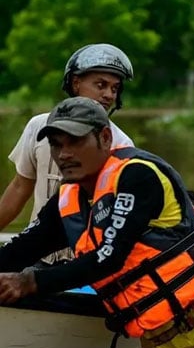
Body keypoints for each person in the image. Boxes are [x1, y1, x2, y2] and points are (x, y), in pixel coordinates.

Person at [0, 97, 194, 348]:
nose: (64, 154)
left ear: (105, 138)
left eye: (75, 141)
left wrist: (29, 281)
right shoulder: (68, 198)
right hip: (160, 343)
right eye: (57, 144)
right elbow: (24, 248)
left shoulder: (138, 175)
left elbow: (109, 256)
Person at [0, 44, 135, 233]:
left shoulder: (121, 144)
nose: (108, 95)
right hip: (35, 249)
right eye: (101, 85)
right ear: (76, 83)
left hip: (86, 254)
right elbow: (19, 188)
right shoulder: (39, 126)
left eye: (115, 88)